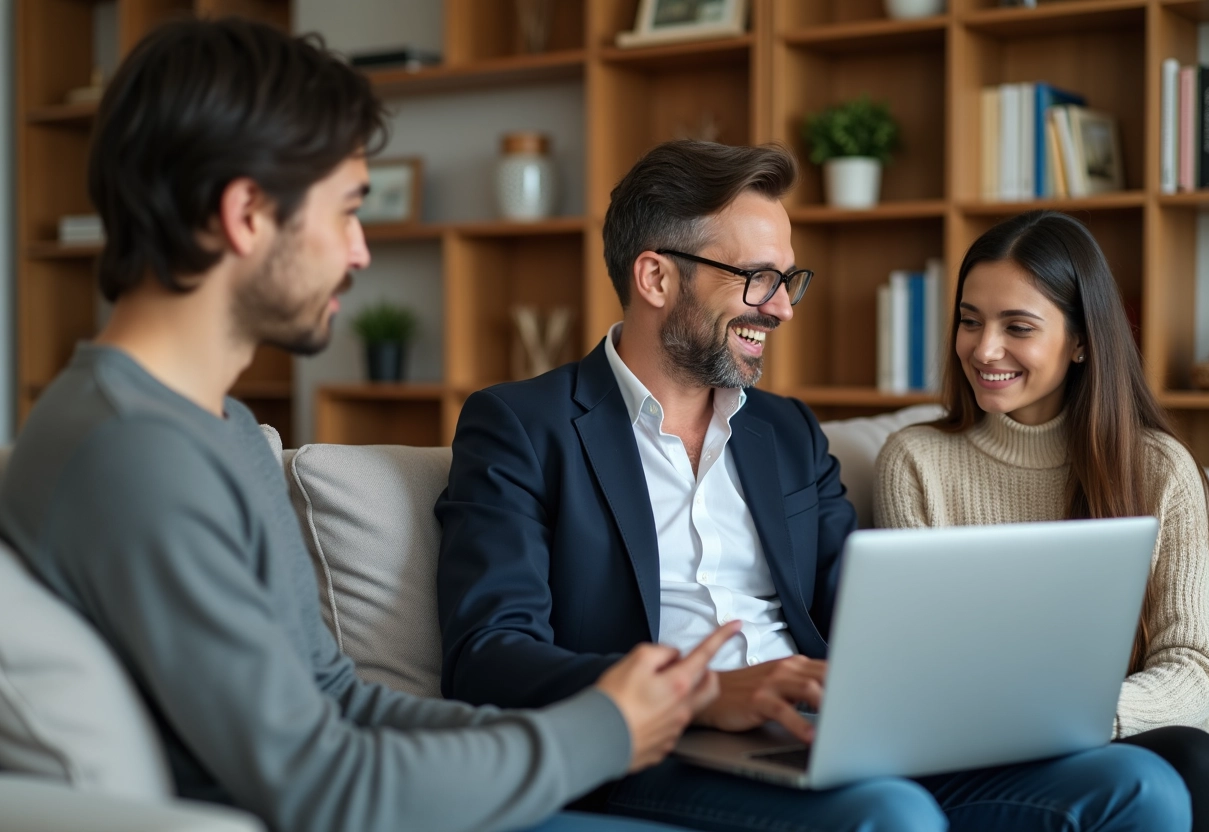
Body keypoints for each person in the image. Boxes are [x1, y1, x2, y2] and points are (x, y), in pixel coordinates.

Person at [0, 17, 743, 832]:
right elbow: (323, 786)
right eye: (347, 210)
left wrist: (596, 725)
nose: (360, 251)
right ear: (247, 213)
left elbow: (337, 695)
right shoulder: (135, 455)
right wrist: (601, 731)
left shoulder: (222, 431)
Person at [435, 141, 1191, 831]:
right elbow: (488, 653)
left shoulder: (787, 433)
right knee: (890, 815)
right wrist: (699, 693)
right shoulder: (523, 425)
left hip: (815, 738)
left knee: (1137, 786)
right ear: (657, 276)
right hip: (660, 749)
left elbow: (863, 613)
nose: (784, 307)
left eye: (788, 279)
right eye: (760, 279)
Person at [875, 209, 1209, 829]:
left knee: (1195, 759)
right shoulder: (915, 462)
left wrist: (1082, 717)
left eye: (1018, 326)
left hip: (1119, 736)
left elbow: (1194, 668)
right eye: (970, 321)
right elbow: (922, 666)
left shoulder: (1159, 468)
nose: (984, 349)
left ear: (1082, 340)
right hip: (973, 753)